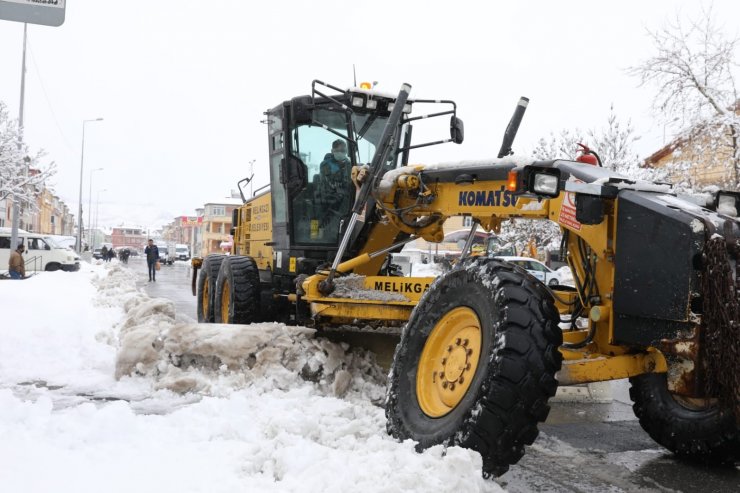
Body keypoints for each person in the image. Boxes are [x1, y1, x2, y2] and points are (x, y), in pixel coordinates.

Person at [317, 139, 351, 227]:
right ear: (332, 151)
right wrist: (341, 168)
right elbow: (330, 180)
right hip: (328, 199)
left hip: (345, 197)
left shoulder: (349, 163)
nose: (341, 153)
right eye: (338, 151)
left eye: (343, 151)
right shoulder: (325, 164)